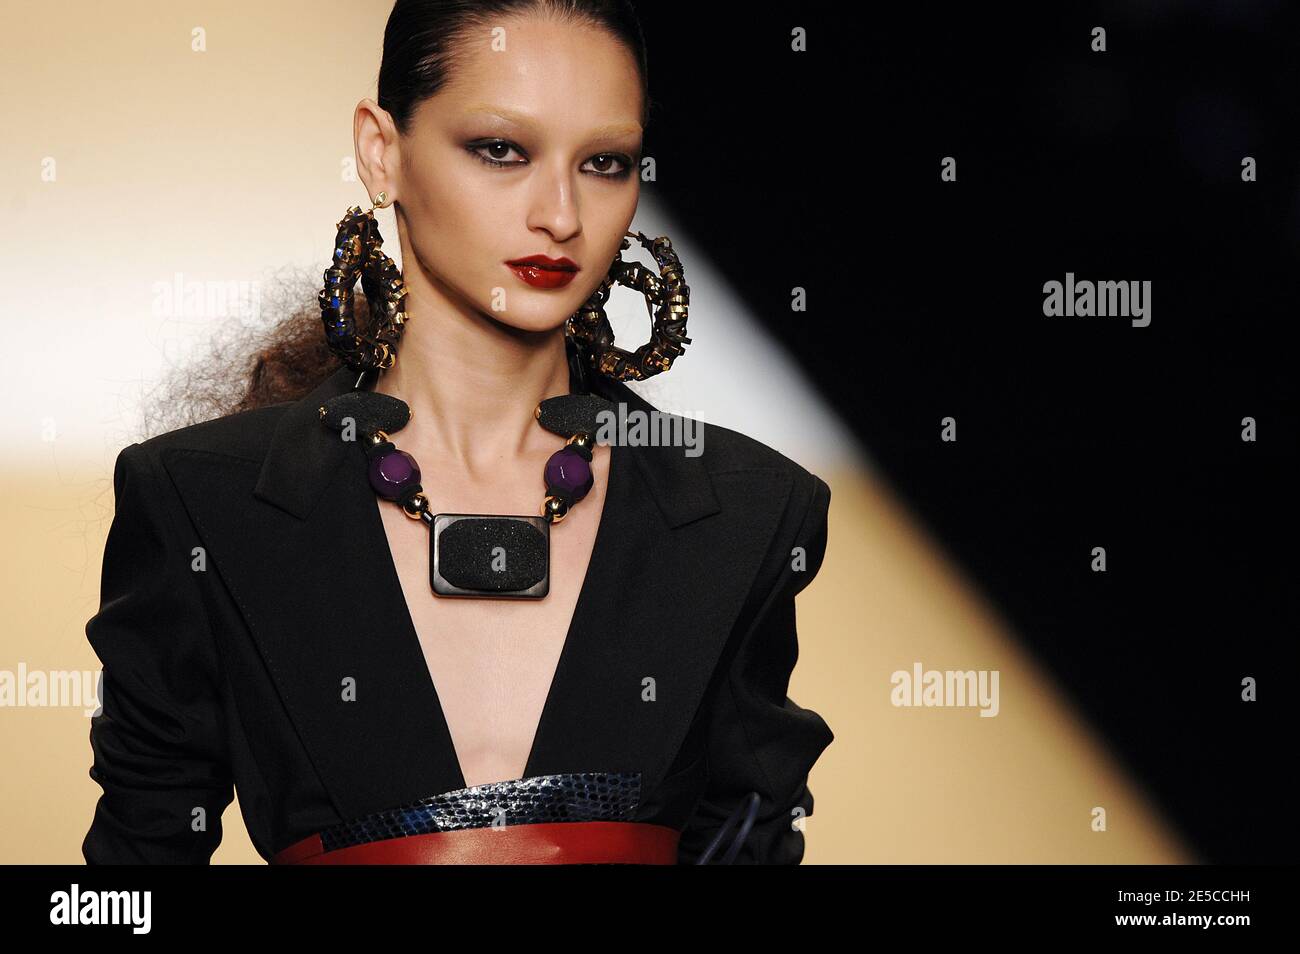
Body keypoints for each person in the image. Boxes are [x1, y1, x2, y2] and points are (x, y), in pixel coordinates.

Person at [81, 0, 833, 865]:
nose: (561, 214)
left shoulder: (747, 513)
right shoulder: (202, 504)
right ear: (381, 150)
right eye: (501, 150)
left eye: (605, 162)